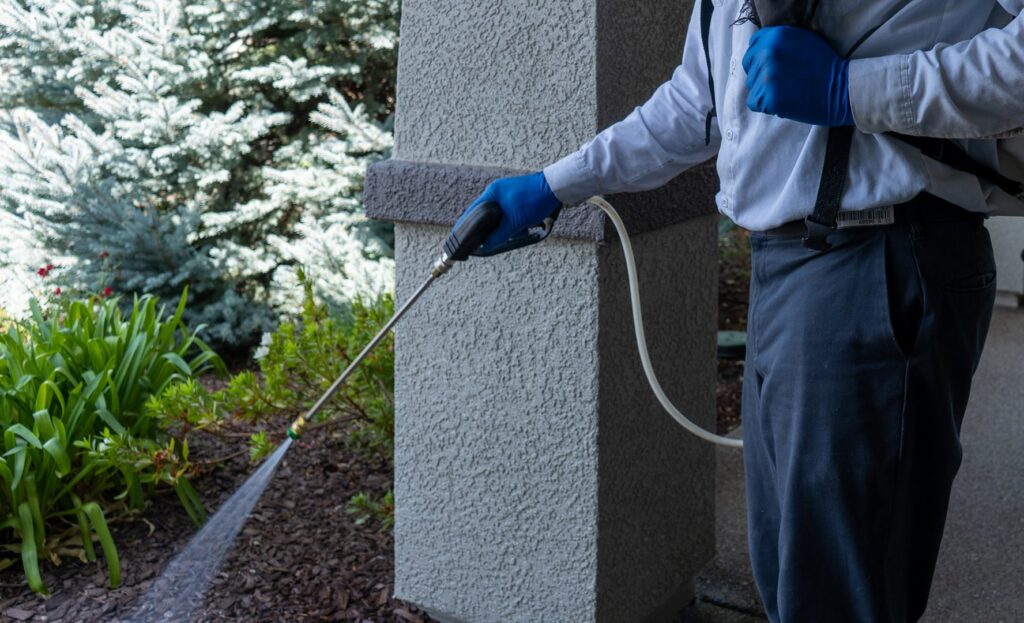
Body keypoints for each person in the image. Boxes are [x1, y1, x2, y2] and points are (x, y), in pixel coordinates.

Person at [452, 1, 1024, 622]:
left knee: (839, 588)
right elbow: (693, 110)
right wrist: (555, 184)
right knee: (791, 572)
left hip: (878, 254)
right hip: (787, 266)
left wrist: (853, 90)